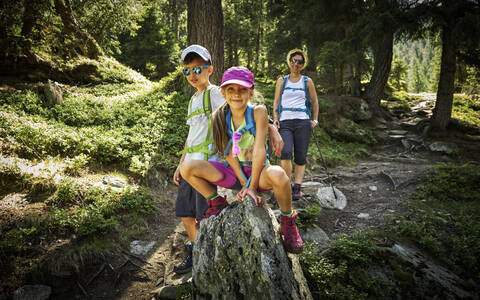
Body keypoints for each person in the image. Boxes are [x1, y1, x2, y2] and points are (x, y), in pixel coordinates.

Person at [174, 46, 285, 273]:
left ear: (209, 69)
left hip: (209, 161)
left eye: (198, 69)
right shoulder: (193, 99)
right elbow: (191, 135)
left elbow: (239, 109)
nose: (193, 75)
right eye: (188, 71)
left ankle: (208, 255)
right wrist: (180, 162)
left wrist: (271, 128)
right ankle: (197, 249)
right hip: (193, 163)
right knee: (184, 212)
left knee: (203, 212)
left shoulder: (216, 93)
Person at [180, 66, 303, 254]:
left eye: (242, 89)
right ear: (223, 92)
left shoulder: (258, 112)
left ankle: (288, 221)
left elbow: (260, 151)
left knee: (279, 174)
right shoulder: (219, 116)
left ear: (251, 92)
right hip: (234, 173)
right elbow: (228, 154)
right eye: (231, 89)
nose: (236, 94)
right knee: (187, 167)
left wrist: (252, 187)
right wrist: (244, 184)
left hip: (259, 172)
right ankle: (216, 202)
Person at [273, 49, 319, 200]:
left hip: (302, 121)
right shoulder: (282, 80)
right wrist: (275, 119)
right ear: (289, 62)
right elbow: (276, 102)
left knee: (300, 155)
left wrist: (315, 120)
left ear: (303, 64)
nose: (296, 64)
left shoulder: (307, 81)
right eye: (294, 61)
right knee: (285, 152)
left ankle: (297, 187)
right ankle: (285, 184)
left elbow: (315, 102)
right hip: (285, 121)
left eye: (299, 62)